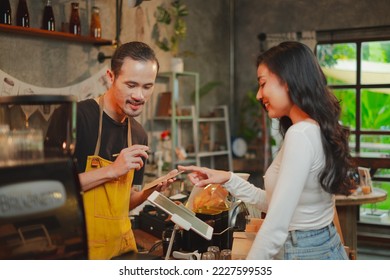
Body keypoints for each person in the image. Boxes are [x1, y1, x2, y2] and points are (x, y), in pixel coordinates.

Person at [179, 41, 356, 260]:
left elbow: (276, 223)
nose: (258, 95)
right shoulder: (312, 128)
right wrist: (228, 178)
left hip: (305, 253)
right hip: (319, 246)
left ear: (288, 81)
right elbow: (277, 203)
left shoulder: (300, 135)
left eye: (263, 84)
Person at [46, 41, 177, 259]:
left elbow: (123, 204)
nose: (140, 96)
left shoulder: (138, 134)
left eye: (147, 86)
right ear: (111, 77)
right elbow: (50, 190)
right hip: (78, 252)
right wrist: (112, 170)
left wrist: (150, 191)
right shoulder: (74, 118)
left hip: (121, 250)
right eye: (131, 84)